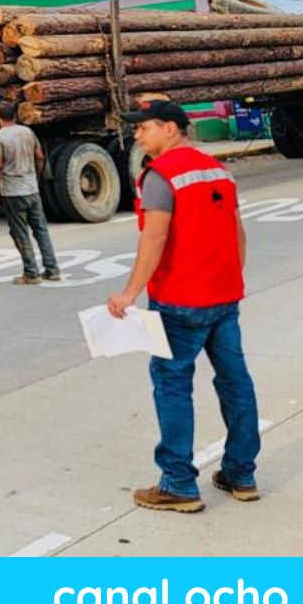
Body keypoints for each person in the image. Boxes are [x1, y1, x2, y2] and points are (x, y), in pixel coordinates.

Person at [107, 99, 259, 513]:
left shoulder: (160, 176)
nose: (138, 135)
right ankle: (241, 474)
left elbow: (153, 239)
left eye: (145, 128)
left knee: (172, 384)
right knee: (235, 382)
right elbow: (237, 232)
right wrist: (229, 280)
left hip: (179, 301)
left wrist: (129, 292)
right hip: (224, 297)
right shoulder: (218, 171)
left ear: (170, 129)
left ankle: (178, 483)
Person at [0, 101, 60, 284]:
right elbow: (39, 156)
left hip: (12, 190)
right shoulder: (28, 132)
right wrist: (35, 175)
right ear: (14, 114)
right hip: (31, 187)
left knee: (20, 232)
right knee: (41, 229)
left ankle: (31, 272)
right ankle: (52, 269)